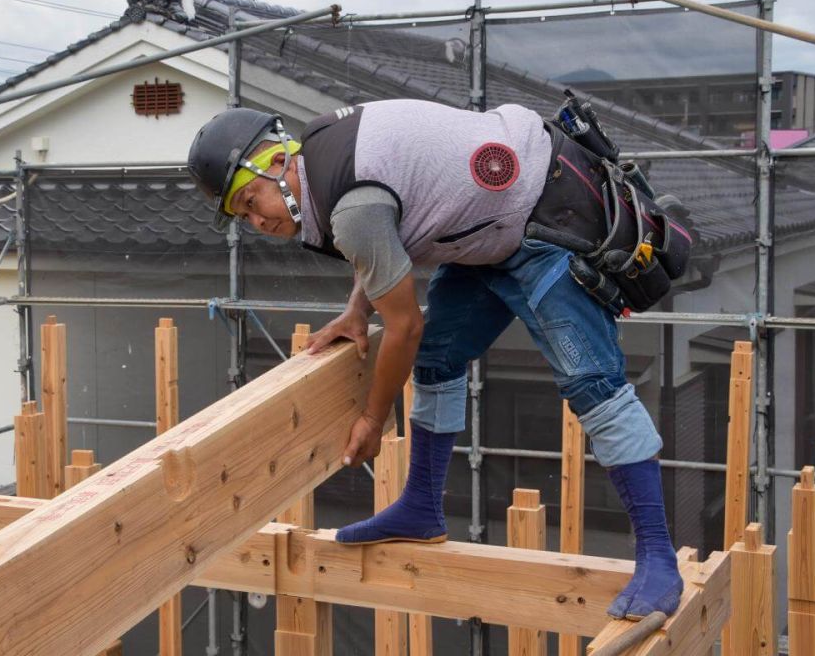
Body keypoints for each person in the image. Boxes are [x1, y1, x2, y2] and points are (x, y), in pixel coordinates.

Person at [186, 99, 684, 621]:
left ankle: (657, 557)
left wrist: (373, 421)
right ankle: (422, 506)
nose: (254, 220)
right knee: (438, 359)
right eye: (240, 216)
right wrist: (356, 310)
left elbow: (402, 324)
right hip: (486, 231)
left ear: (273, 164)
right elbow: (381, 235)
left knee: (593, 385)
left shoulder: (349, 203)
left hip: (542, 212)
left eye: (249, 201)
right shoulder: (325, 157)